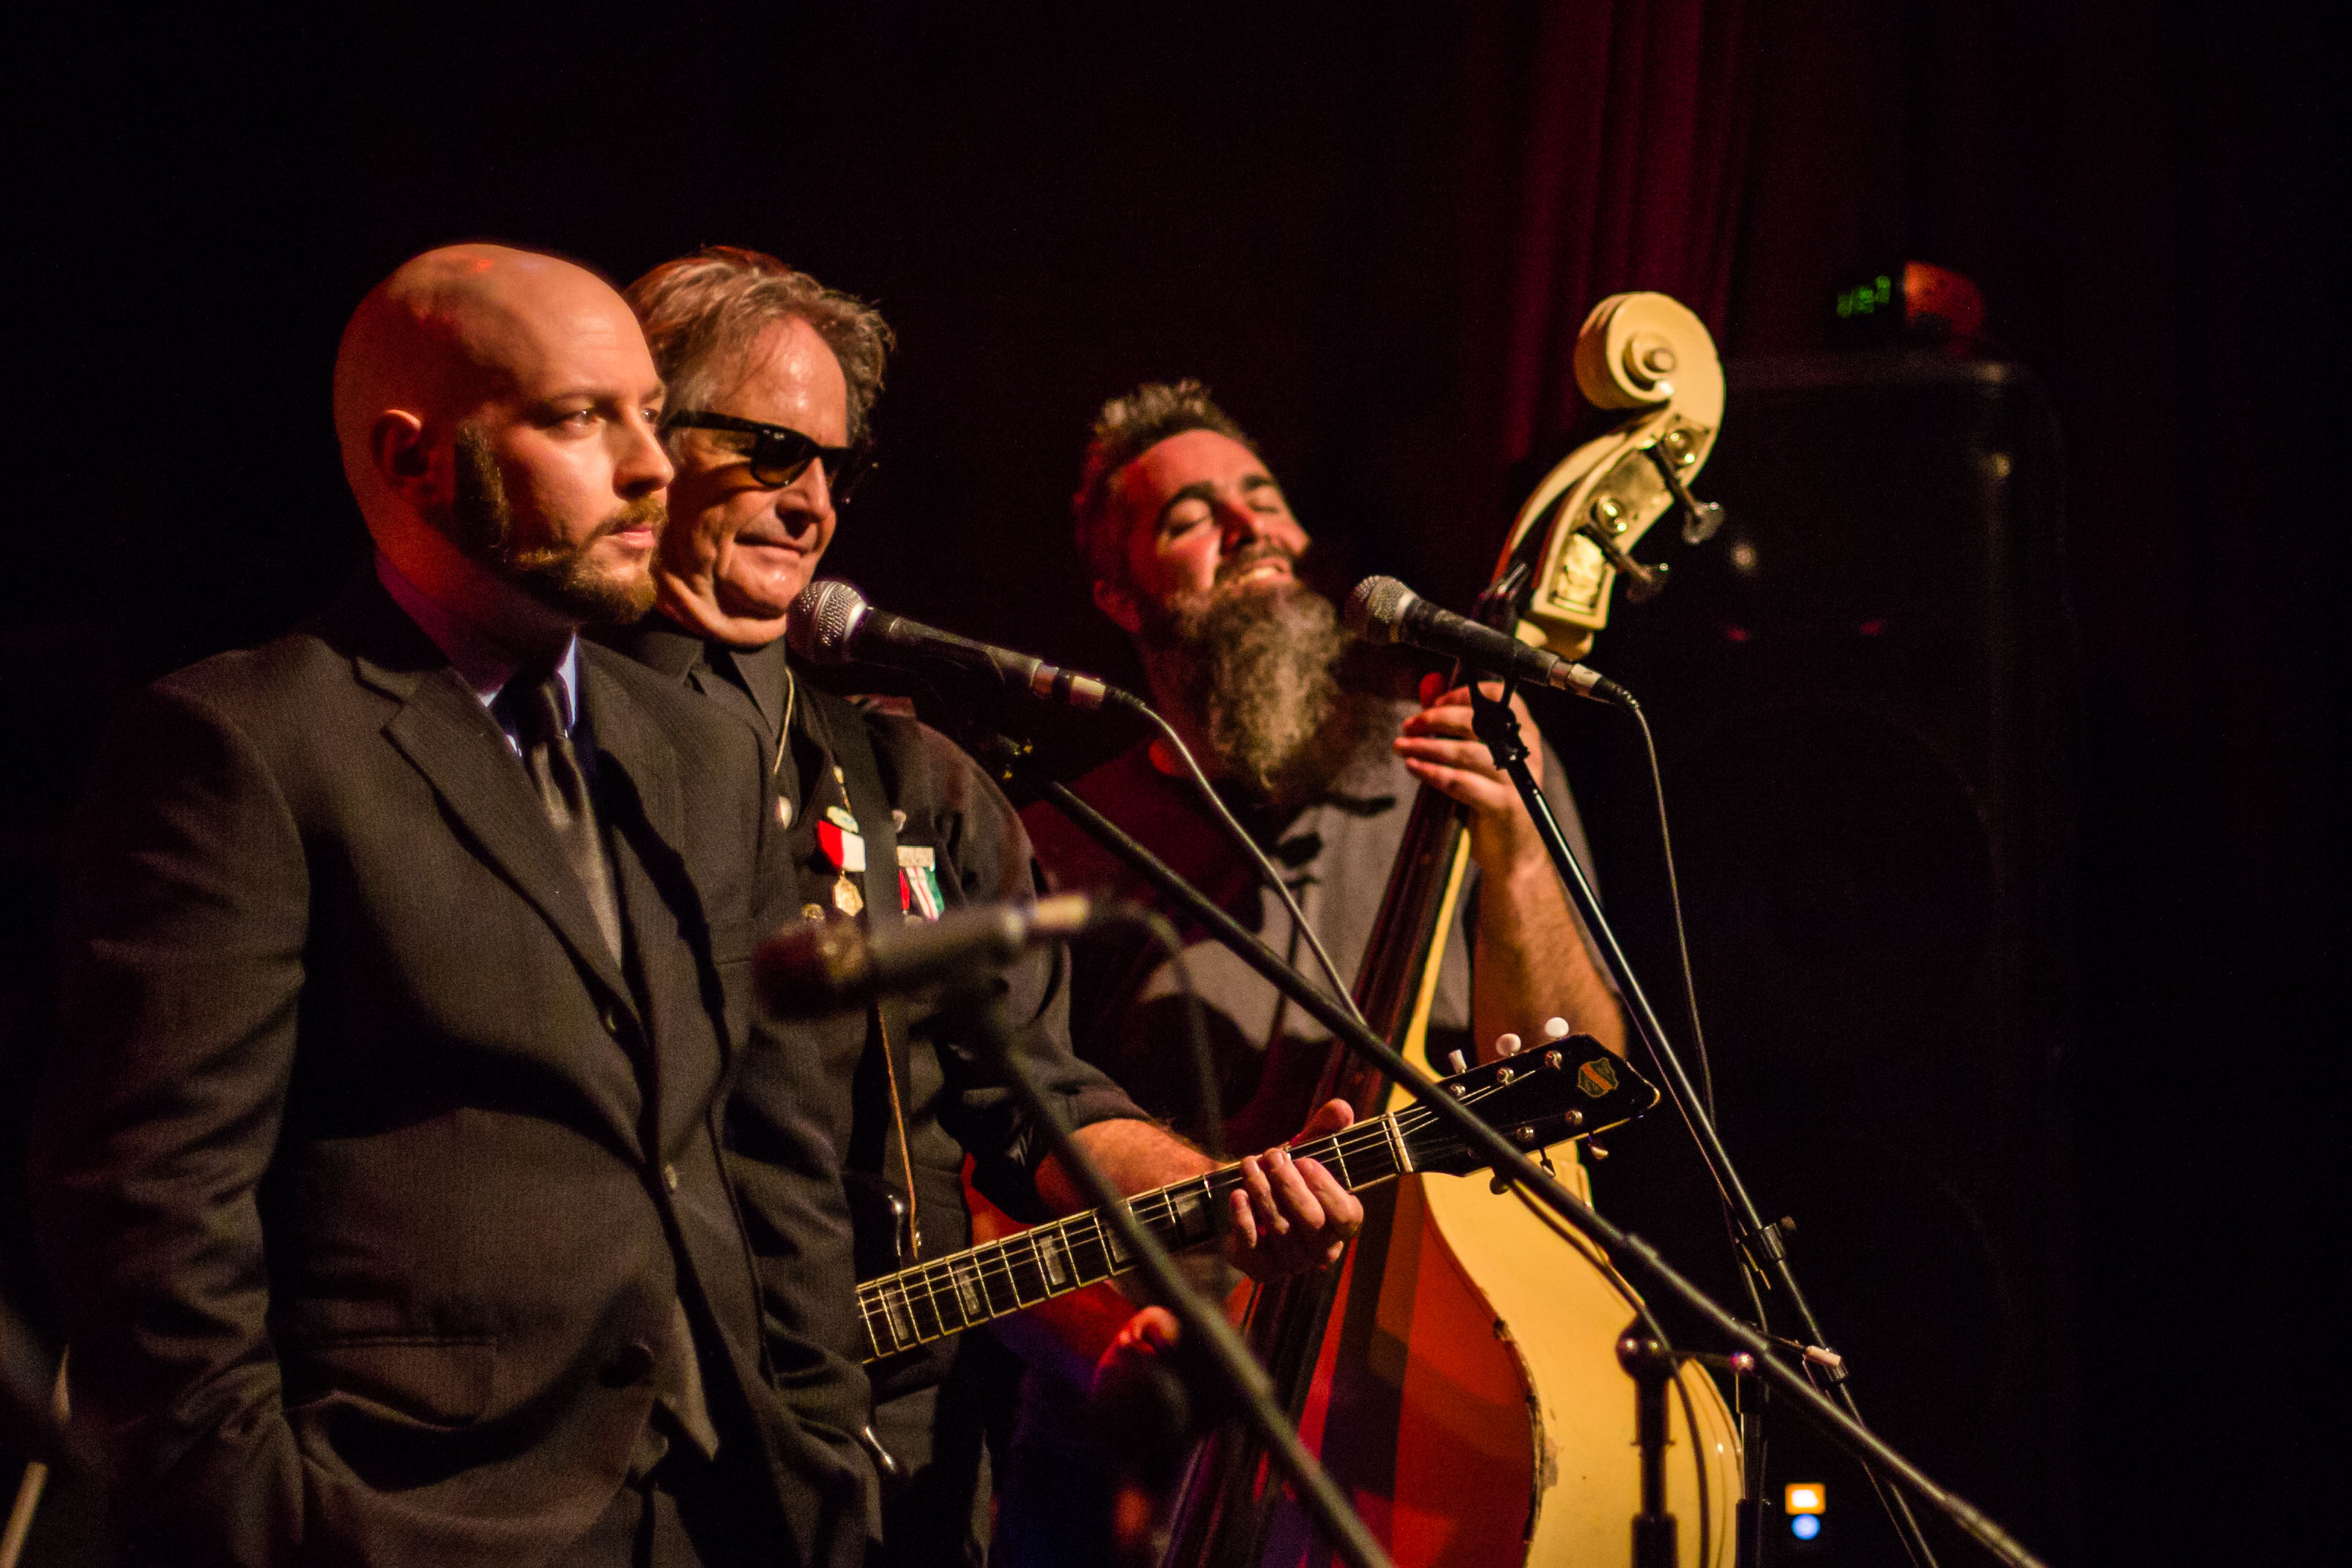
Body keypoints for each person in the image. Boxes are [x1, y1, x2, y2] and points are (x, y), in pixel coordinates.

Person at [26, 245, 873, 1567]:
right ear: (413, 459)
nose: (650, 467)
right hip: (414, 1519)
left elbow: (777, 1159)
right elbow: (152, 1220)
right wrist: (272, 1532)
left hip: (723, 1514)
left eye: (652, 414)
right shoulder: (246, 745)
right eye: (581, 418)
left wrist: (824, 1466)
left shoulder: (697, 753)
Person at [604, 248, 1365, 1567]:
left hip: (887, 1477)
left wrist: (1225, 1192)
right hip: (601, 1471)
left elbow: (1040, 1104)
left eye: (835, 467)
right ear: (643, 438)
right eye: (771, 451)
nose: (811, 502)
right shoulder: (538, 739)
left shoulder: (918, 782)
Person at [995, 379, 1631, 1561]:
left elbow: (1580, 1080)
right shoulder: (1056, 843)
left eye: (1265, 499)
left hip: (1432, 1408)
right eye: (1191, 516)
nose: (1253, 530)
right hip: (1140, 1451)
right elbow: (980, 1175)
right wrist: (1117, 1338)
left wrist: (1516, 847)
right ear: (1118, 594)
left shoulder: (1458, 762)